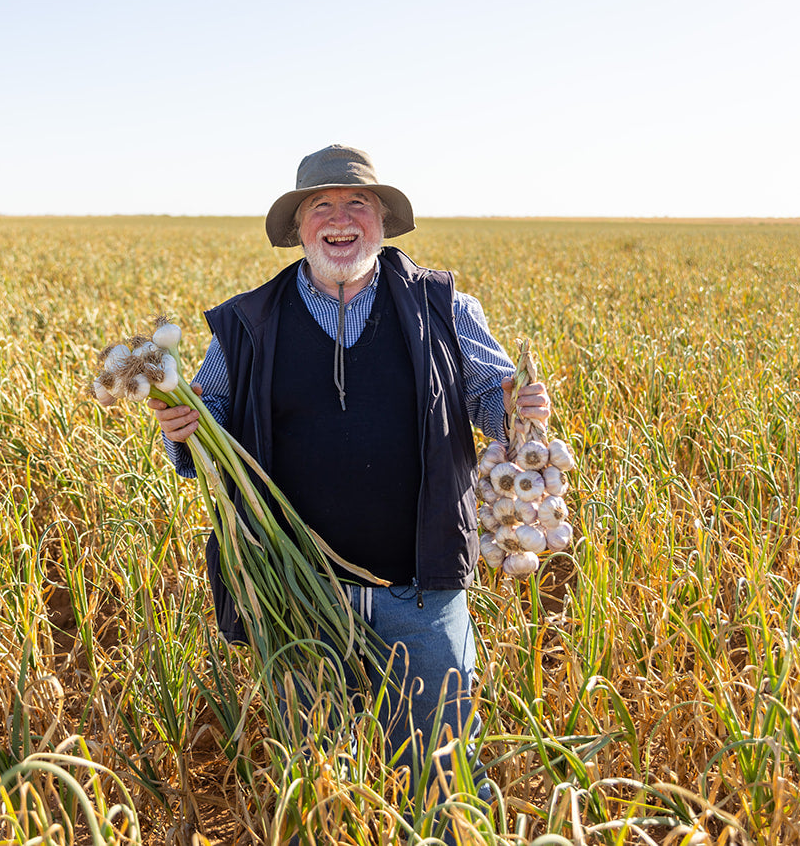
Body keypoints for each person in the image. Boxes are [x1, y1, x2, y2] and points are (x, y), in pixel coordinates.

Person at [149, 144, 551, 806]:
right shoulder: (247, 322)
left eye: (356, 203)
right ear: (299, 228)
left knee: (442, 773)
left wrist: (515, 405)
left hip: (419, 592)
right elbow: (206, 407)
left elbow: (490, 396)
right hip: (296, 594)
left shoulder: (444, 304)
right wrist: (182, 431)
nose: (340, 219)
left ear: (383, 221)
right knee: (315, 776)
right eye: (321, 207)